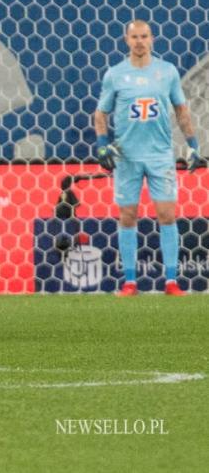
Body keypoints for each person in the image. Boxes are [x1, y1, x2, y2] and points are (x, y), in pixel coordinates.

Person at [94, 19, 202, 297]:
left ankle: (171, 282)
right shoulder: (115, 74)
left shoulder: (166, 72)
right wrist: (103, 144)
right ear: (126, 40)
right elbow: (101, 113)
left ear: (152, 38)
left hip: (160, 156)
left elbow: (181, 109)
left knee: (167, 214)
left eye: (144, 36)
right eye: (135, 37)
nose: (140, 41)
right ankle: (130, 282)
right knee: (127, 216)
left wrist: (192, 145)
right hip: (127, 157)